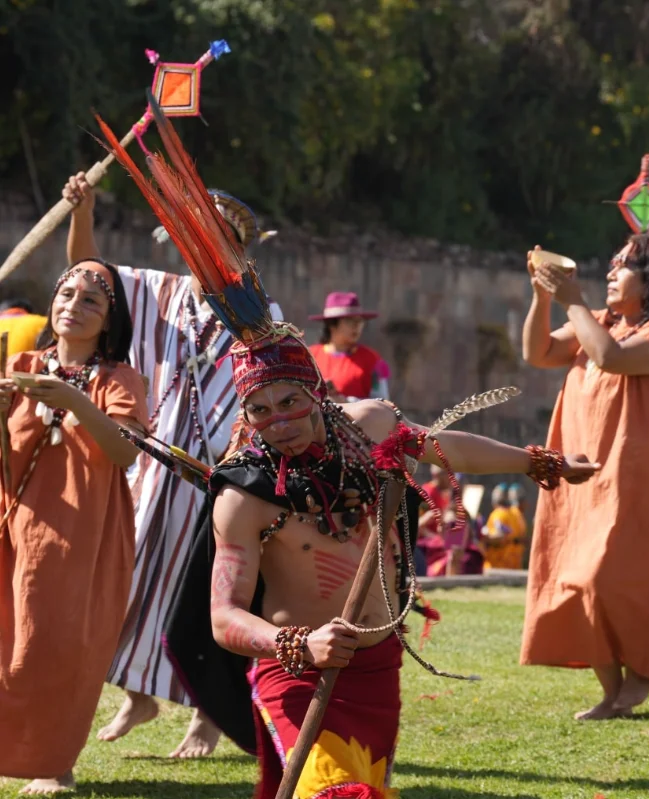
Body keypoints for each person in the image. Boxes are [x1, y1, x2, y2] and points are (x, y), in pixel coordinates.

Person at [96, 111, 600, 798]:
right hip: (296, 673)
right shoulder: (244, 492)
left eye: (288, 402)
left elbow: (446, 449)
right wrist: (297, 645)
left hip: (374, 669)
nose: (277, 421)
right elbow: (223, 617)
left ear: (314, 390)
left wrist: (537, 462)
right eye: (260, 411)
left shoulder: (369, 429)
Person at [61, 171, 283, 759]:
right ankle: (139, 692)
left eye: (219, 236)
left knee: (202, 590)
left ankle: (207, 717)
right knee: (129, 576)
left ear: (237, 248)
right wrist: (81, 210)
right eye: (194, 234)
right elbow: (86, 270)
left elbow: (274, 381)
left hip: (220, 471)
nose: (204, 245)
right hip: (154, 458)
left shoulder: (256, 308)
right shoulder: (152, 289)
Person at [521, 233, 649, 720]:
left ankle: (644, 672)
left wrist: (573, 300)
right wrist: (544, 296)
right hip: (586, 476)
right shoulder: (598, 322)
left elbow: (610, 358)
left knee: (614, 577)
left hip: (642, 478)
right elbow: (538, 352)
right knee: (577, 579)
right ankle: (611, 690)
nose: (608, 275)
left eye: (620, 267)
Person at [0, 261, 149, 794]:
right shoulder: (17, 363)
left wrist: (75, 403)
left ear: (109, 321)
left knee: (53, 644)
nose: (74, 305)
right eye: (67, 293)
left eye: (92, 300)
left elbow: (125, 451)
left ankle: (53, 760)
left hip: (80, 532)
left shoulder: (119, 379)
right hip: (14, 521)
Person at [308, 291, 390, 401]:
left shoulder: (372, 359)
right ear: (332, 325)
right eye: (349, 321)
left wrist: (346, 401)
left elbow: (383, 404)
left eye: (359, 321)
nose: (356, 326)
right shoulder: (309, 357)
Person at [417, 465, 483, 576]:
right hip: (433, 547)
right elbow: (418, 525)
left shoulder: (451, 505)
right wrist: (434, 536)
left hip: (443, 545)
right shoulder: (428, 493)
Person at [482, 483, 527, 570]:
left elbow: (500, 537)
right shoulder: (515, 514)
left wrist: (483, 538)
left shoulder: (498, 514)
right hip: (512, 564)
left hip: (497, 565)